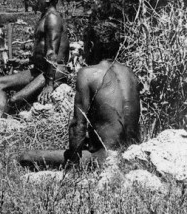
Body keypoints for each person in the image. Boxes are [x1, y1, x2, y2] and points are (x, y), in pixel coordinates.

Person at [18, 21, 141, 170]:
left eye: (85, 46)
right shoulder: (130, 74)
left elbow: (78, 125)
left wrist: (73, 166)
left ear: (92, 45)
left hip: (106, 158)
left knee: (26, 157)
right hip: (133, 155)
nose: (84, 51)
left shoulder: (88, 74)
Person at [0, 0, 70, 117]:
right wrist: (25, 61)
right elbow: (41, 51)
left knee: (14, 100)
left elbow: (52, 52)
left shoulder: (52, 18)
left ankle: (4, 127)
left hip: (55, 71)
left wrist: (49, 84)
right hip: (40, 70)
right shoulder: (44, 17)